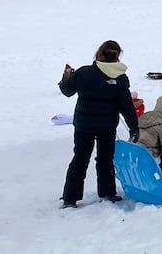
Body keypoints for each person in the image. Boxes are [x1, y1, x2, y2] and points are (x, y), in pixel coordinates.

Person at [59, 40, 139, 208]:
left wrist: (66, 78)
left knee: (80, 158)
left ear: (99, 53)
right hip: (107, 126)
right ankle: (107, 192)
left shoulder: (83, 73)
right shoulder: (120, 78)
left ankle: (70, 199)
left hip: (84, 125)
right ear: (117, 56)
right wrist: (134, 128)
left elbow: (66, 91)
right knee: (105, 159)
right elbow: (126, 106)